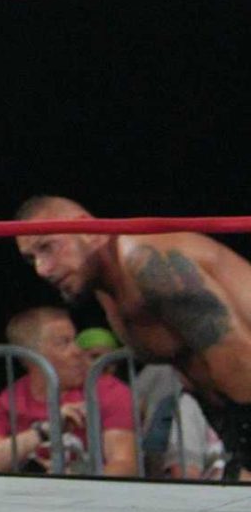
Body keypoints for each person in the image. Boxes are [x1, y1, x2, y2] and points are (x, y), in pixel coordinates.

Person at [18, 195, 251, 477]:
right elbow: (192, 368)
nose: (42, 269)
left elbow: (240, 361)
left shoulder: (147, 262)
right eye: (31, 258)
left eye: (47, 247)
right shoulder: (107, 288)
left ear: (87, 230)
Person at [0, 306, 137, 477]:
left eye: (75, 340)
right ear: (32, 356)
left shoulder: (108, 390)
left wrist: (72, 485)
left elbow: (125, 465)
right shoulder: (9, 401)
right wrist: (43, 431)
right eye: (64, 343)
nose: (78, 351)